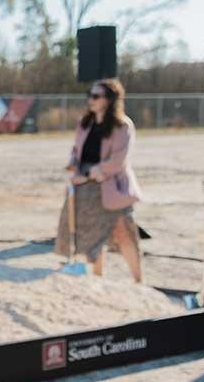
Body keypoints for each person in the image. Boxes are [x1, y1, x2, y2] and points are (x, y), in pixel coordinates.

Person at [56, 78, 143, 281]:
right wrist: (73, 163)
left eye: (96, 96)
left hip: (112, 190)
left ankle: (139, 281)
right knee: (92, 237)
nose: (91, 100)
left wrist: (88, 173)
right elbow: (77, 150)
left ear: (109, 100)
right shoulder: (85, 124)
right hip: (84, 190)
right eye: (90, 95)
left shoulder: (123, 126)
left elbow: (117, 162)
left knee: (124, 232)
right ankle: (98, 278)